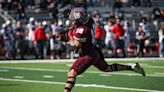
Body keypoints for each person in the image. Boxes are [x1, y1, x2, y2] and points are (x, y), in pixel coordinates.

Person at [62, 7, 145, 92]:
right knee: (107, 68)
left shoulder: (82, 30)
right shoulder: (89, 20)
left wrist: (68, 39)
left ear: (80, 20)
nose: (73, 21)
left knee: (72, 73)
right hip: (95, 51)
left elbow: (76, 45)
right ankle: (132, 67)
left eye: (75, 20)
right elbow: (79, 20)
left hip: (88, 54)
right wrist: (70, 27)